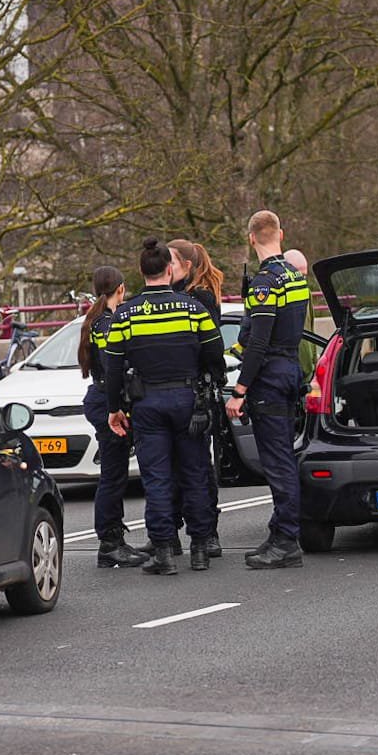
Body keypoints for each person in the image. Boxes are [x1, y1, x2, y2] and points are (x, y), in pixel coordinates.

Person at [105, 238, 224, 574]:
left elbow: (113, 366)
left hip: (147, 403)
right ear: (169, 269)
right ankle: (200, 547)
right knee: (195, 473)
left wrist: (114, 408)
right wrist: (207, 382)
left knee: (157, 478)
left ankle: (164, 552)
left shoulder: (126, 314)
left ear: (142, 272)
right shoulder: (192, 309)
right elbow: (214, 352)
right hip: (188, 400)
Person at [226, 210, 310, 569]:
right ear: (281, 234)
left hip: (270, 378)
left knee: (277, 462)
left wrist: (240, 389)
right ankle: (279, 532)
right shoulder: (295, 276)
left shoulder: (265, 283)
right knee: (283, 458)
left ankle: (287, 539)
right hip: (289, 369)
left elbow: (258, 342)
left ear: (251, 239)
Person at [78, 265, 147, 568]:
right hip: (108, 401)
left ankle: (114, 537)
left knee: (115, 473)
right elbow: (112, 366)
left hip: (103, 398)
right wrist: (115, 408)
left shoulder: (96, 319)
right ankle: (109, 542)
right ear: (120, 289)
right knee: (113, 476)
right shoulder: (107, 322)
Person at [168, 239, 226, 559]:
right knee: (176, 467)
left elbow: (209, 347)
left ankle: (208, 532)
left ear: (186, 266)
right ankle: (174, 529)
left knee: (199, 467)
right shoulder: (178, 295)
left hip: (196, 392)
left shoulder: (198, 298)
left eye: (171, 262)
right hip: (182, 391)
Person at [283, 248, 319, 377]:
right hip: (293, 371)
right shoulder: (283, 296)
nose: (302, 280)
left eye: (304, 276)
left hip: (306, 370)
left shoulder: (305, 293)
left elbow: (310, 330)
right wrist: (307, 369)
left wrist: (315, 362)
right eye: (299, 275)